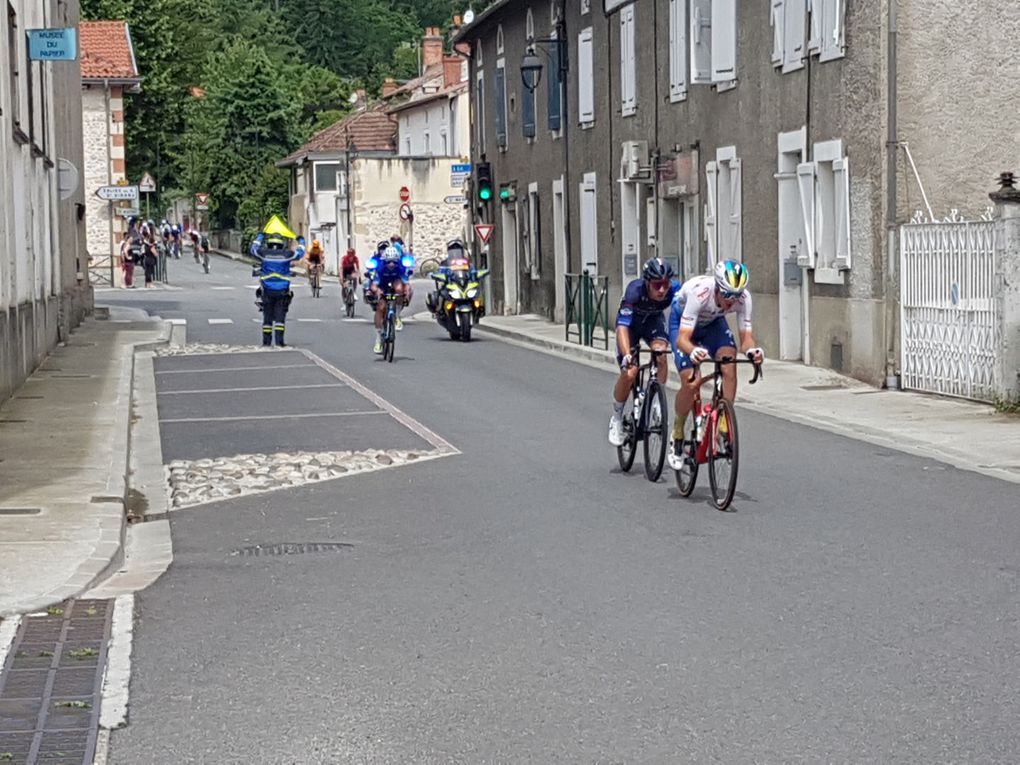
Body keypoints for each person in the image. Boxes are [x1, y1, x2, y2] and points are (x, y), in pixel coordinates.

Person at [666, 259, 764, 469]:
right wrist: (693, 350)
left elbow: (746, 338)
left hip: (712, 324)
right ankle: (678, 430)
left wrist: (752, 351)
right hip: (682, 323)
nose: (732, 301)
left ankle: (723, 423)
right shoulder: (700, 293)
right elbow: (683, 339)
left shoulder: (743, 298)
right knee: (692, 381)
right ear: (718, 288)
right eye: (728, 295)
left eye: (736, 296)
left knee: (729, 362)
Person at [608, 257, 680, 447]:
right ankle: (616, 418)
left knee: (661, 355)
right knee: (630, 371)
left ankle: (656, 399)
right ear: (647, 283)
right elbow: (622, 327)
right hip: (630, 326)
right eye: (657, 286)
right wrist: (627, 355)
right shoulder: (634, 290)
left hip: (652, 323)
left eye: (665, 284)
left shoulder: (674, 289)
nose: (662, 290)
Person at [250, 222, 305, 347]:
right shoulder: (287, 254)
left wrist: (260, 236)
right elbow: (300, 253)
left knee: (267, 316)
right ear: (281, 244)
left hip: (267, 291)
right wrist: (301, 241)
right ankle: (279, 342)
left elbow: (253, 249)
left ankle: (266, 342)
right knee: (280, 317)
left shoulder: (263, 253)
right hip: (282, 291)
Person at [371, 245, 413, 354]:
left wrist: (406, 294)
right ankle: (378, 338)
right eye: (389, 262)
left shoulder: (400, 268)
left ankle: (397, 316)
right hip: (382, 285)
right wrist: (378, 292)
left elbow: (406, 284)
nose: (392, 264)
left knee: (399, 289)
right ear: (385, 261)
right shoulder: (380, 268)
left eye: (394, 262)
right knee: (381, 307)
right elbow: (374, 286)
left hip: (395, 282)